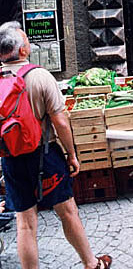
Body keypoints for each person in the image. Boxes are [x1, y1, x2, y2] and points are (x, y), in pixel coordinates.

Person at [0, 21, 112, 269]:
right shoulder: (39, 76)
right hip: (45, 155)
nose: (29, 42)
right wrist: (72, 155)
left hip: (11, 158)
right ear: (21, 51)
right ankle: (91, 264)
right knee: (67, 212)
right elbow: (61, 122)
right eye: (26, 39)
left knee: (25, 223)